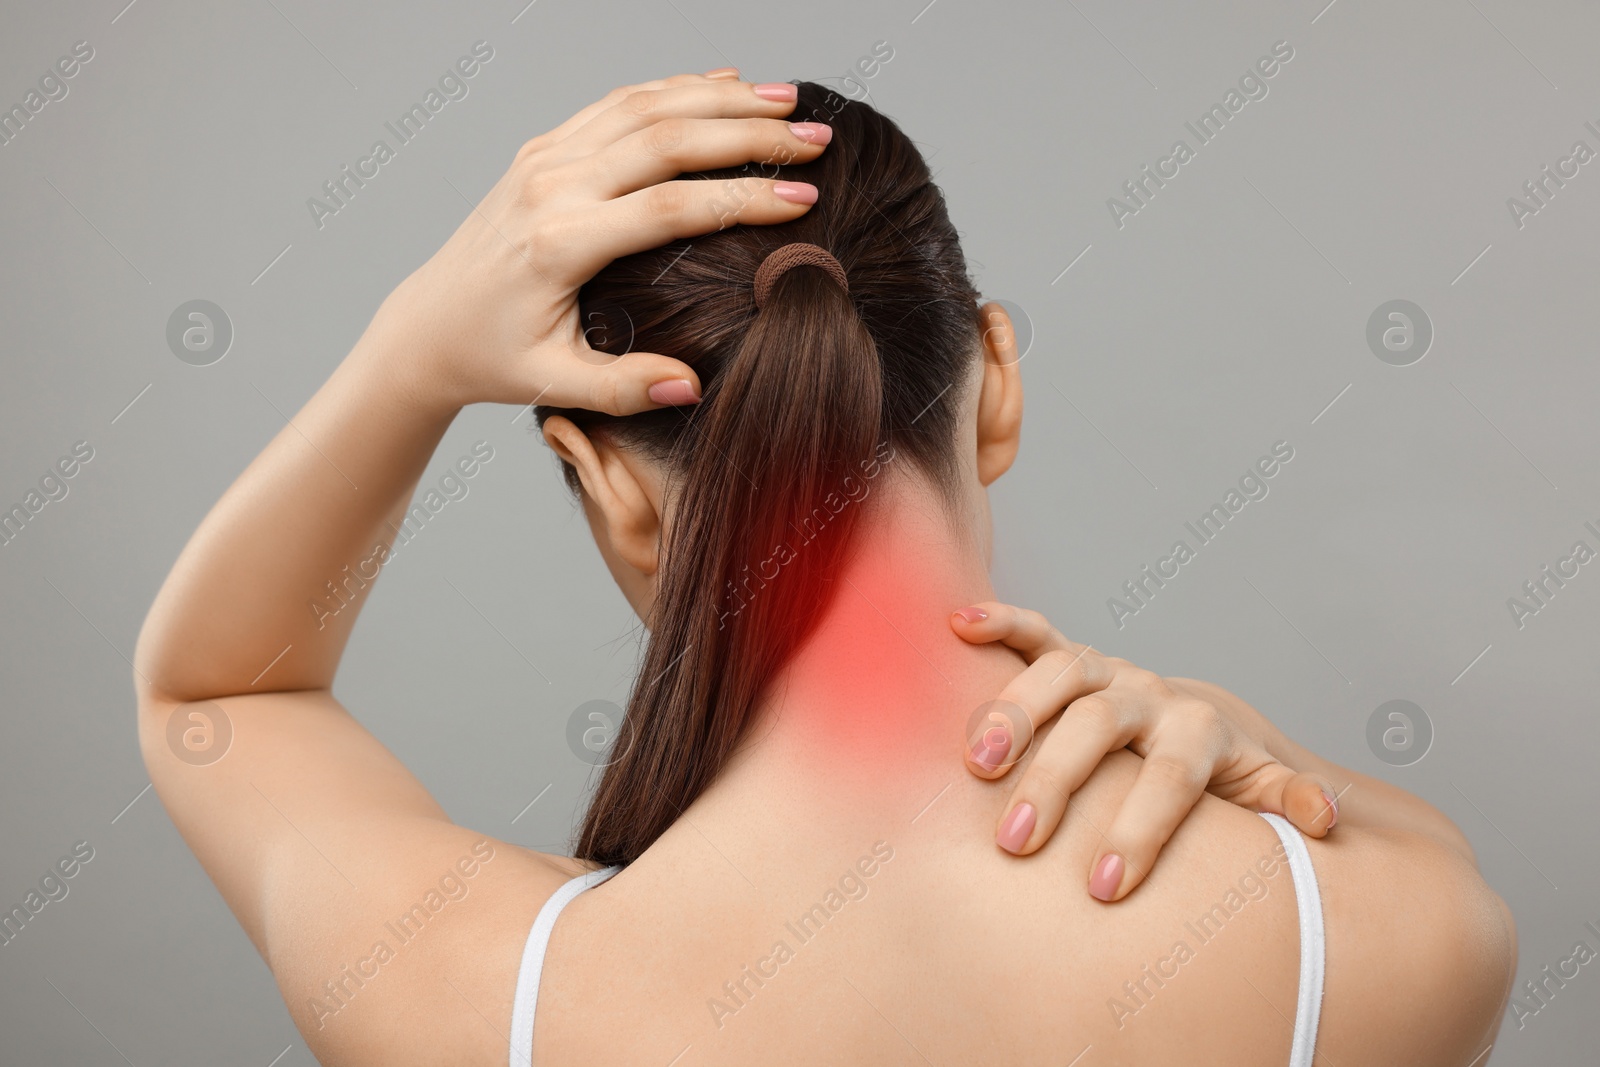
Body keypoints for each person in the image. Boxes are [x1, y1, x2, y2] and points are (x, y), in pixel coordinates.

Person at [135, 72, 1516, 1066]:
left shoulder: (484, 1000)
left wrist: (411, 352)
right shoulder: (1370, 937)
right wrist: (1251, 745)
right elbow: (1430, 869)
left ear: (616, 490)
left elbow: (221, 698)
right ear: (996, 389)